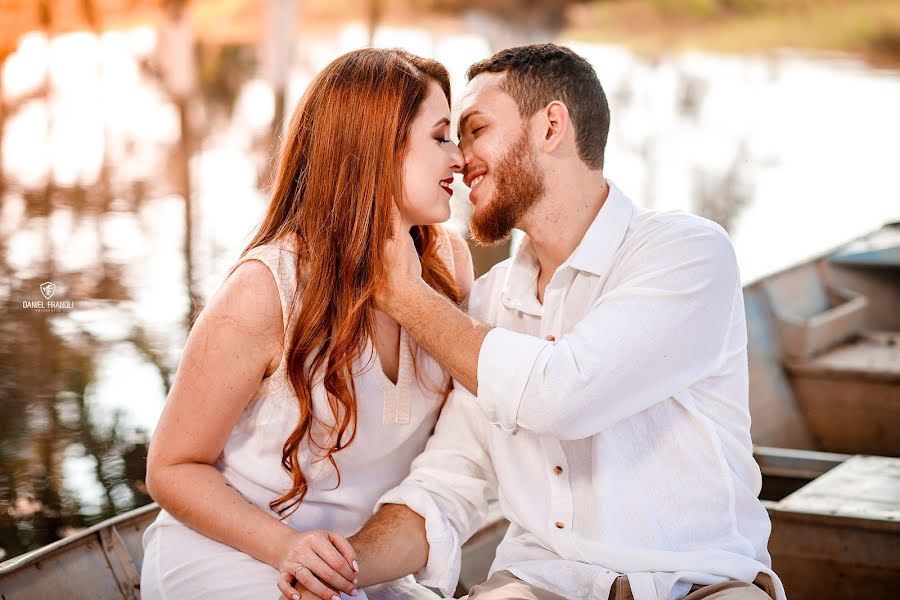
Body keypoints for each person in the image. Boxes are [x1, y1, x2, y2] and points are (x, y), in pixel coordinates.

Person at [289, 43, 786, 600]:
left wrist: (405, 295)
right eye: (449, 137)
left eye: (475, 129)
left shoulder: (685, 254)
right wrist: (342, 567)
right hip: (538, 584)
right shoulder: (489, 303)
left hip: (700, 584)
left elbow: (562, 393)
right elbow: (447, 485)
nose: (458, 157)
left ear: (551, 126)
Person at [140, 48, 474, 600]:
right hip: (233, 552)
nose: (459, 158)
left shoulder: (448, 267)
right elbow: (172, 468)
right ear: (377, 148)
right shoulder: (267, 291)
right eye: (440, 137)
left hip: (358, 563)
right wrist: (284, 547)